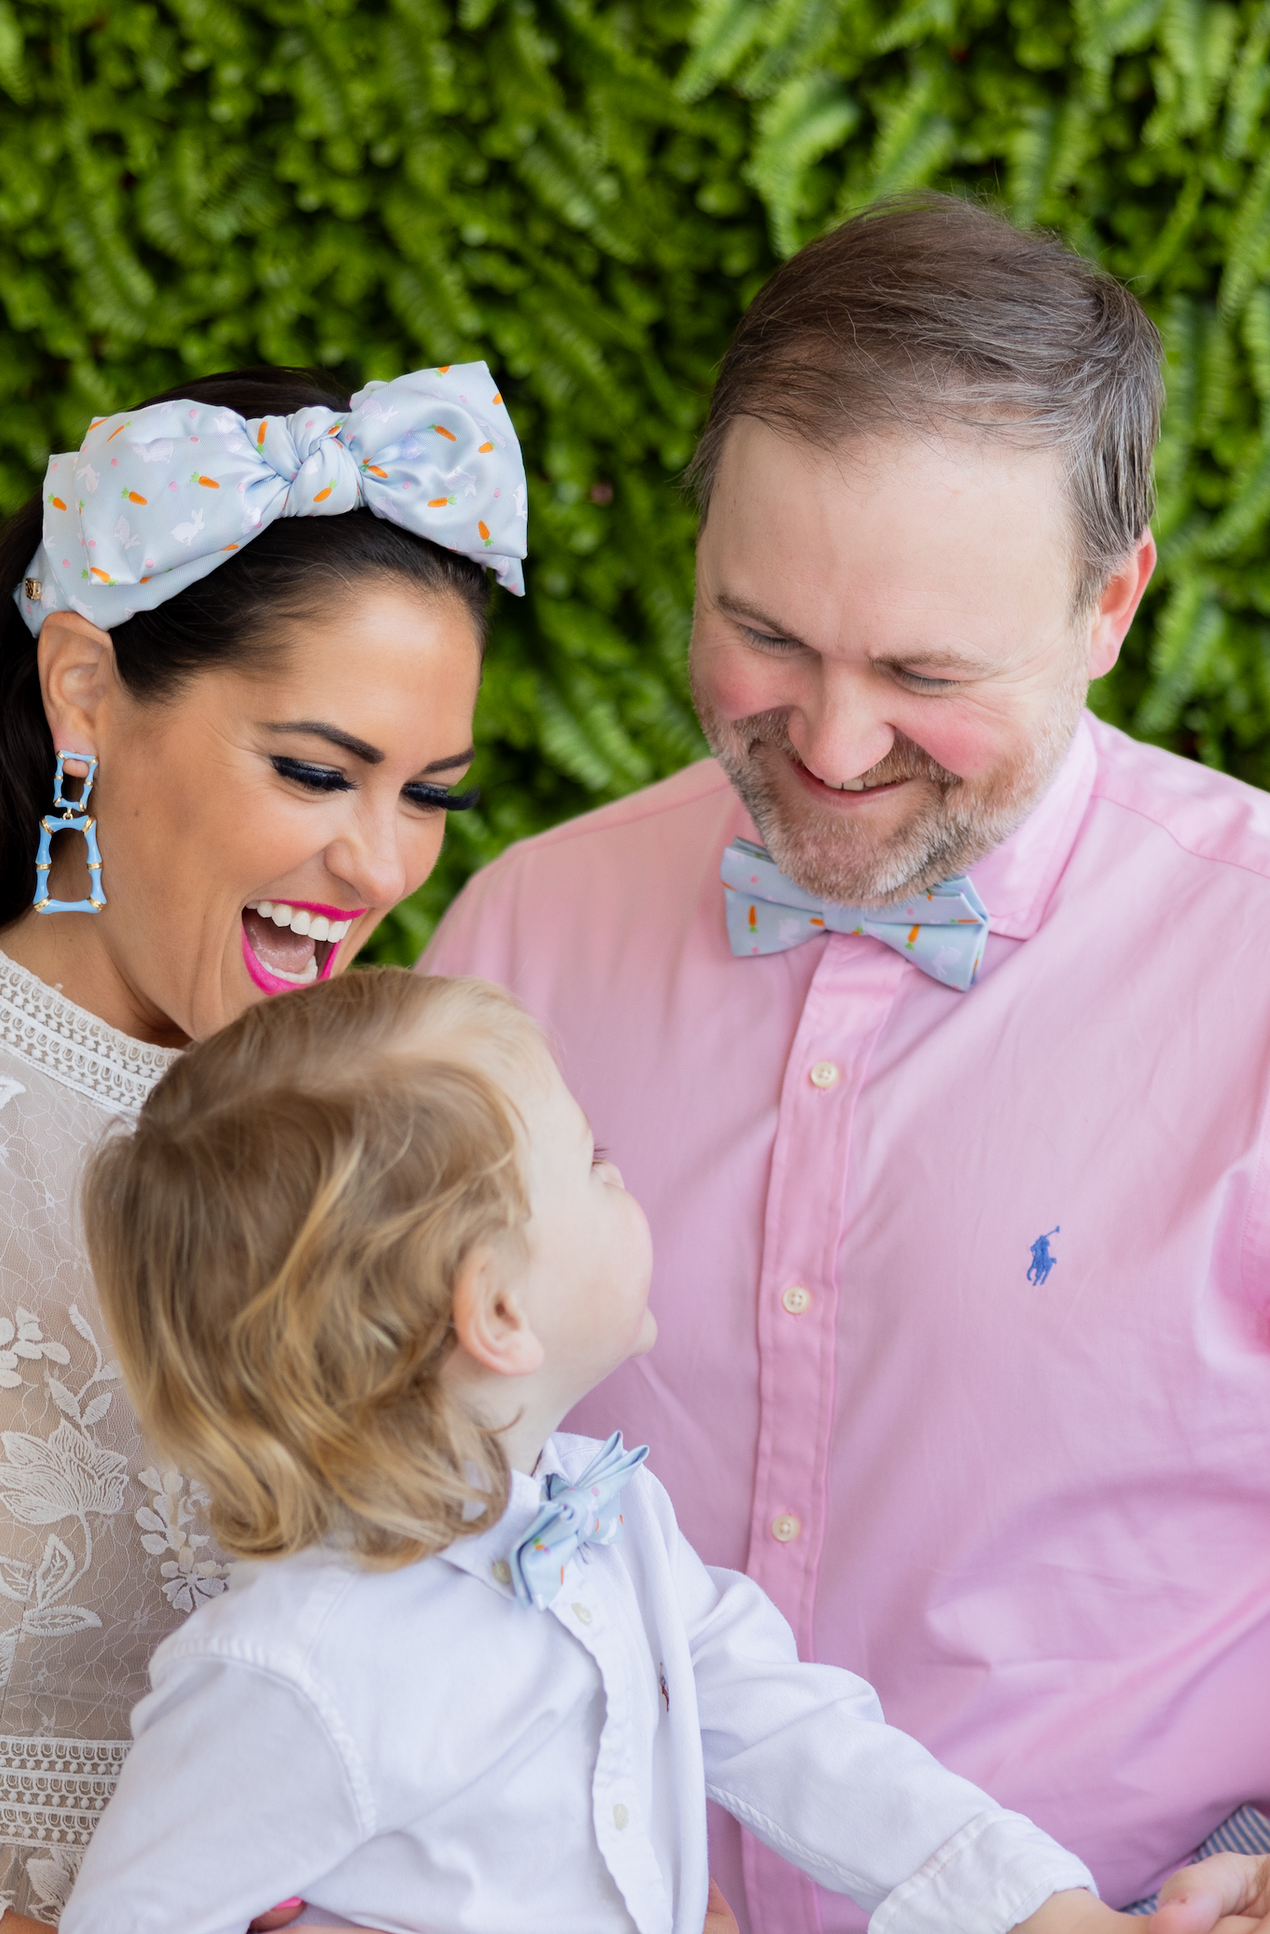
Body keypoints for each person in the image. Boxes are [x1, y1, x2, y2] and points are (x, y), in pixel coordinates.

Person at [422, 194, 1270, 1934]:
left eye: (924, 671)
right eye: (768, 638)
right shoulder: (523, 934)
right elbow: (385, 1477)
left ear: (1113, 605)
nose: (830, 741)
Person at [65, 964, 1208, 1934]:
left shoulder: (607, 1521)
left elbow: (790, 1726)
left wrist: (1040, 1905)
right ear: (498, 1312)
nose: (625, 1180)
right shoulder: (290, 1670)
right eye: (594, 1159)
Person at [0, 360, 525, 1933]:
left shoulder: (408, 1152)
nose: (376, 862)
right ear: (83, 690)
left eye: (428, 792)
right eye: (313, 770)